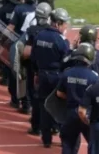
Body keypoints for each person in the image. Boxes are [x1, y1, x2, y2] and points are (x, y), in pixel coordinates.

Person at [29, 8, 71, 148]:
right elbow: (66, 62)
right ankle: (63, 138)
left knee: (44, 106)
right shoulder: (61, 40)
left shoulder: (39, 35)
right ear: (58, 23)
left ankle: (46, 139)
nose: (66, 26)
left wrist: (36, 73)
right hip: (56, 77)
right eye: (65, 23)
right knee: (60, 107)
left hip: (42, 75)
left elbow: (33, 58)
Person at [55, 44, 99, 154]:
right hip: (87, 114)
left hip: (71, 114)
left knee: (68, 144)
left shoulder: (67, 72)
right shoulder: (94, 76)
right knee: (94, 144)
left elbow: (59, 93)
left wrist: (70, 96)